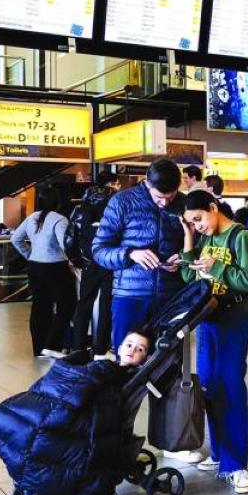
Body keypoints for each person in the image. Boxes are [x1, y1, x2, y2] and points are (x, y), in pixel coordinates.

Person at [92, 159, 196, 462]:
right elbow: (99, 250)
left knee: (170, 371)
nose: (166, 202)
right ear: (146, 184)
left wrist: (186, 256)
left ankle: (171, 441)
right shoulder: (121, 202)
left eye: (171, 196)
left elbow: (202, 243)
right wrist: (130, 253)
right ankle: (118, 443)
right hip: (130, 297)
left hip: (172, 298)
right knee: (126, 371)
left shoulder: (185, 204)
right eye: (159, 197)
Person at [179, 189, 248, 494]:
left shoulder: (243, 238)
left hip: (233, 318)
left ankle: (237, 464)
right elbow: (190, 281)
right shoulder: (205, 239)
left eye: (199, 219)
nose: (198, 225)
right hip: (208, 321)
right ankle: (218, 453)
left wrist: (215, 267)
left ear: (213, 208)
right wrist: (189, 242)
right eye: (191, 222)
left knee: (230, 386)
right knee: (210, 386)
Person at [11, 187, 76, 359]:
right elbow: (65, 244)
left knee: (40, 306)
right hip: (56, 267)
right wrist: (75, 261)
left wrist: (29, 255)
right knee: (66, 305)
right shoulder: (60, 219)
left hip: (35, 267)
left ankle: (39, 348)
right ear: (58, 202)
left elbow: (15, 238)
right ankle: (52, 346)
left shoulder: (33, 217)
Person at [66, 172, 118, 357]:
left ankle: (78, 347)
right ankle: (100, 349)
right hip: (110, 263)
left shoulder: (79, 211)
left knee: (84, 304)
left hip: (89, 264)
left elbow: (69, 240)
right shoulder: (113, 212)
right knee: (106, 305)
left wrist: (77, 260)